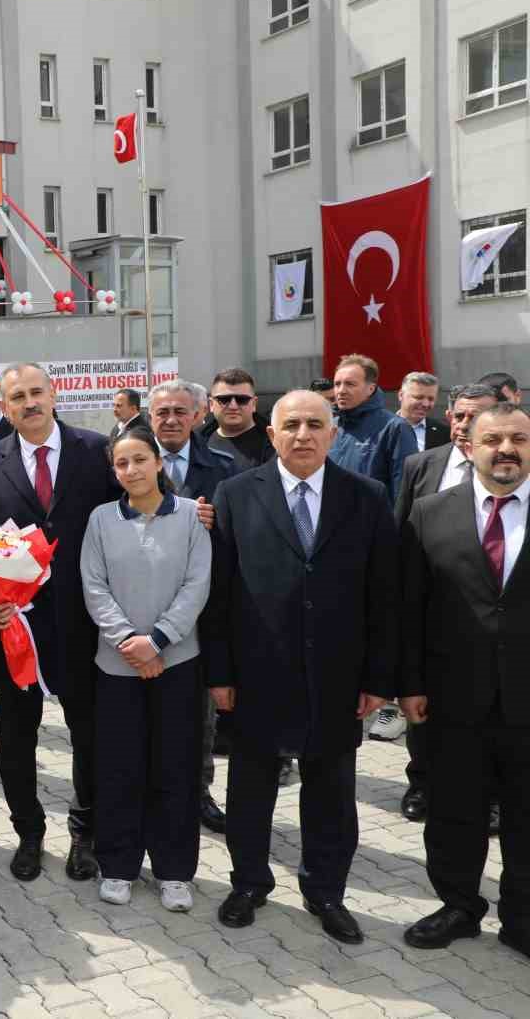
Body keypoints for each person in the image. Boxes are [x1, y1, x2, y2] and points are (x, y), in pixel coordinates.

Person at [204, 390, 398, 945]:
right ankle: (248, 883)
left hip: (338, 676)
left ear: (333, 434)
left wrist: (378, 679)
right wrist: (219, 673)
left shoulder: (367, 495)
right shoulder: (236, 494)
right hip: (257, 672)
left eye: (316, 424)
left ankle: (326, 892)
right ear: (272, 434)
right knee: (250, 789)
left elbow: (384, 595)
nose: (303, 435)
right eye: (292, 425)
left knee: (331, 793)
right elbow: (220, 593)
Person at [0, 363, 120, 882]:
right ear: (5, 407)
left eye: (36, 393)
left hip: (85, 623)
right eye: (17, 397)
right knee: (16, 736)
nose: (29, 403)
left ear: (54, 395)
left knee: (91, 734)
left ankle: (86, 833)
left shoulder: (96, 451)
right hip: (17, 627)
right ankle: (28, 833)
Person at [398, 403, 530, 958]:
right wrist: (409, 683)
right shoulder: (429, 513)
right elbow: (408, 605)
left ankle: (523, 918)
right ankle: (458, 905)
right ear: (468, 447)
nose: (506, 449)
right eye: (493, 438)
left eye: (519, 439)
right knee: (455, 808)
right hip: (453, 696)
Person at [81, 427, 211, 912]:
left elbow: (197, 585)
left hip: (177, 662)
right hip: (116, 667)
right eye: (121, 463)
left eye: (140, 460)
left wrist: (157, 640)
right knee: (119, 767)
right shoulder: (100, 519)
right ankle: (118, 864)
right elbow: (94, 587)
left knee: (175, 767)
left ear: (159, 463)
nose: (131, 470)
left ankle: (175, 870)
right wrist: (130, 644)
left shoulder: (191, 519)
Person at [386, 382, 501, 818]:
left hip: (492, 618)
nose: (464, 425)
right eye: (459, 415)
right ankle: (422, 786)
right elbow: (403, 536)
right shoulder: (421, 465)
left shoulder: (512, 469)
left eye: (477, 417)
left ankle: (489, 799)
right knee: (425, 713)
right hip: (434, 617)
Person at [146, 380, 241, 834]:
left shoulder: (224, 468)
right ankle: (150, 791)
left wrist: (216, 522)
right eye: (162, 411)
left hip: (201, 611)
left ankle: (199, 791)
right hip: (142, 606)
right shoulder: (126, 463)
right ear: (149, 417)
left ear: (200, 415)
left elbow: (241, 538)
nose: (170, 419)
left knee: (200, 713)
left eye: (180, 412)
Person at [327, 354, 415, 501]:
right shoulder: (330, 426)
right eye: (337, 384)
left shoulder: (395, 428)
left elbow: (404, 492)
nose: (341, 390)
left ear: (370, 389)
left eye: (350, 384)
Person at [198, 368, 271, 468]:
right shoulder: (195, 442)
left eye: (242, 399)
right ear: (211, 404)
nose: (233, 406)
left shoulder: (275, 443)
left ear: (254, 404)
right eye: (224, 399)